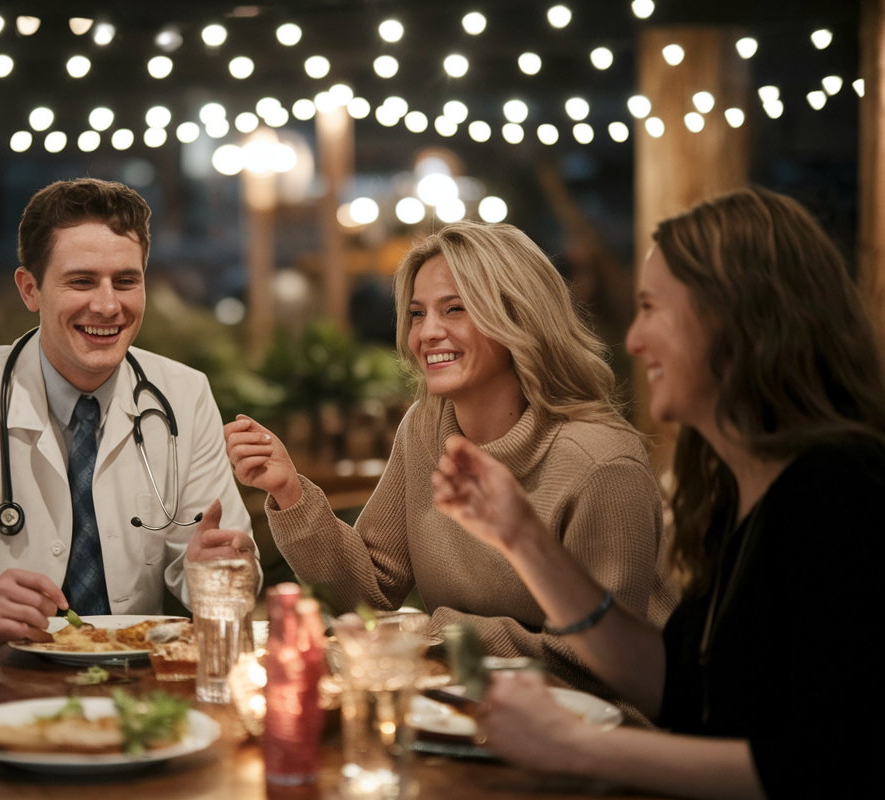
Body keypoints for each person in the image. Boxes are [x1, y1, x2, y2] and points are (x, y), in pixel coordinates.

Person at [432, 188, 883, 798]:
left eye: (652, 308)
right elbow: (679, 683)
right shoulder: (735, 487)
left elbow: (822, 766)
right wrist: (521, 537)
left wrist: (574, 747)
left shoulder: (836, 493)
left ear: (739, 318)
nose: (636, 339)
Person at [225, 220, 675, 706]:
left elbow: (598, 667)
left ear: (517, 318)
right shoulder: (425, 427)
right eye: (417, 314)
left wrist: (443, 632)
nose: (428, 332)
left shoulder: (600, 464)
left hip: (607, 733)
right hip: (471, 707)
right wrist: (290, 493)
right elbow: (372, 589)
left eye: (454, 309)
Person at [0, 178, 255, 646]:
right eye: (81, 281)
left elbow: (226, 575)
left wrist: (216, 572)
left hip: (133, 691)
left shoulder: (185, 395)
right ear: (30, 290)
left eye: (126, 281)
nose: (108, 305)